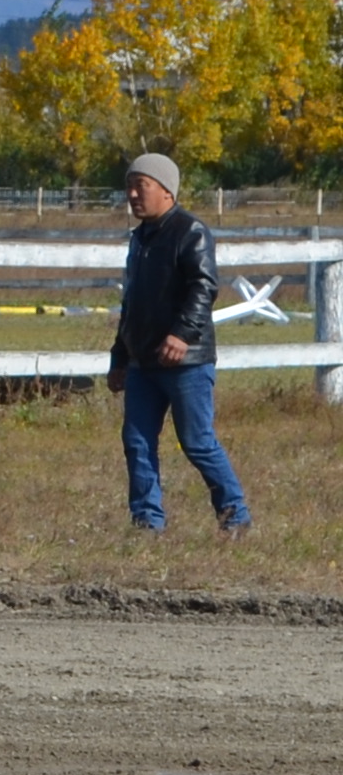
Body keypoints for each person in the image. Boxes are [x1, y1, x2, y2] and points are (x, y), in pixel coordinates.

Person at [112, 149, 251, 536]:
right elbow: (132, 302)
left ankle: (235, 518)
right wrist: (120, 356)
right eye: (130, 187)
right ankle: (147, 524)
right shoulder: (139, 239)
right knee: (137, 443)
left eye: (142, 186)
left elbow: (203, 287)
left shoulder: (190, 231)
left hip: (186, 362)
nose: (134, 195)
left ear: (167, 191)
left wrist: (181, 335)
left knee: (197, 443)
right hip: (143, 363)